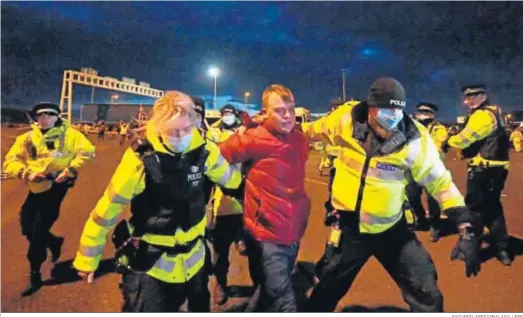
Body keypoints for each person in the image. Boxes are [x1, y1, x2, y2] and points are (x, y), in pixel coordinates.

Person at [301, 77, 481, 312]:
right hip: (349, 228)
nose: (393, 115)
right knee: (327, 289)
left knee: (426, 290)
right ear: (371, 108)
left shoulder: (415, 138)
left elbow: (439, 180)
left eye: (398, 108)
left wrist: (464, 225)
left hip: (391, 228)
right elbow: (309, 131)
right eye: (386, 109)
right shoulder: (344, 119)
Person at [73, 91, 243, 312]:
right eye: (173, 131)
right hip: (153, 264)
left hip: (195, 260)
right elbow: (107, 209)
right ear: (159, 127)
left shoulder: (205, 150)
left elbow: (231, 180)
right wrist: (88, 258)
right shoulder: (140, 159)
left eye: (187, 129)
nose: (181, 136)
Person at [218, 84, 310, 312]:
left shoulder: (299, 138)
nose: (288, 116)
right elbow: (218, 157)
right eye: (279, 110)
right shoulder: (252, 138)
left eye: (291, 108)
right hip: (266, 233)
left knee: (267, 292)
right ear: (266, 112)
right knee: (283, 299)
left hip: (294, 229)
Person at [3, 102, 95, 296]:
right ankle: (53, 242)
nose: (44, 118)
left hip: (57, 186)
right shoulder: (27, 138)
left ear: (57, 117)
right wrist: (25, 173)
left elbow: (88, 152)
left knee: (37, 232)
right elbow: (10, 161)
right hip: (35, 186)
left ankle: (35, 274)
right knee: (26, 226)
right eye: (40, 115)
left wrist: (70, 170)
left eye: (48, 114)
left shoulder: (71, 135)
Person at [444, 84, 512, 266]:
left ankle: (469, 250)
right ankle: (502, 249)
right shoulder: (495, 113)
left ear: (484, 96)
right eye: (467, 98)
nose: (468, 101)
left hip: (483, 170)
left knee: (473, 209)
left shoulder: (482, 115)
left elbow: (464, 139)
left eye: (473, 96)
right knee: (493, 207)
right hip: (498, 169)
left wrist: (448, 141)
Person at [206, 104, 247, 305]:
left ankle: (262, 288)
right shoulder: (214, 132)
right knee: (220, 251)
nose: (227, 117)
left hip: (249, 199)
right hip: (224, 202)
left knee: (257, 251)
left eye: (230, 114)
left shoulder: (244, 131)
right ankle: (220, 284)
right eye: (224, 114)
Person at [406, 102, 448, 241]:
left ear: (432, 115)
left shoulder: (439, 129)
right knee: (411, 195)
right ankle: (422, 220)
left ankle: (435, 226)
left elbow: (438, 146)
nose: (421, 115)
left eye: (425, 112)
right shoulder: (412, 128)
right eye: (420, 112)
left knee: (432, 199)